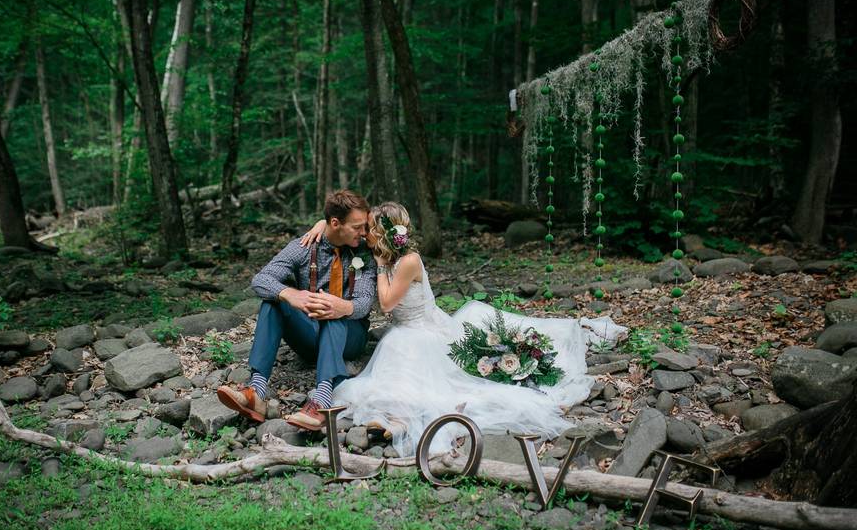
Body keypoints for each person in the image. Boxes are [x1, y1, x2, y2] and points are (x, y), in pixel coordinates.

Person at [300, 202, 627, 455]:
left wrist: (382, 267)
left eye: (370, 228)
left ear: (384, 232)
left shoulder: (407, 260)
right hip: (406, 330)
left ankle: (400, 417)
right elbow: (343, 222)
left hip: (422, 332)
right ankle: (392, 418)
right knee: (394, 366)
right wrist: (320, 223)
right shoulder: (379, 250)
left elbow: (385, 304)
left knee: (419, 371)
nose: (365, 232)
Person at [216, 190, 377, 432]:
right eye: (357, 227)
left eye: (364, 226)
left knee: (329, 309)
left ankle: (322, 398)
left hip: (350, 336)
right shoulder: (304, 247)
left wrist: (342, 306)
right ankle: (256, 391)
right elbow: (261, 280)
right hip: (310, 335)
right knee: (273, 301)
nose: (363, 232)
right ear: (335, 223)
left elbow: (365, 301)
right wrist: (290, 294)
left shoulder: (363, 251)